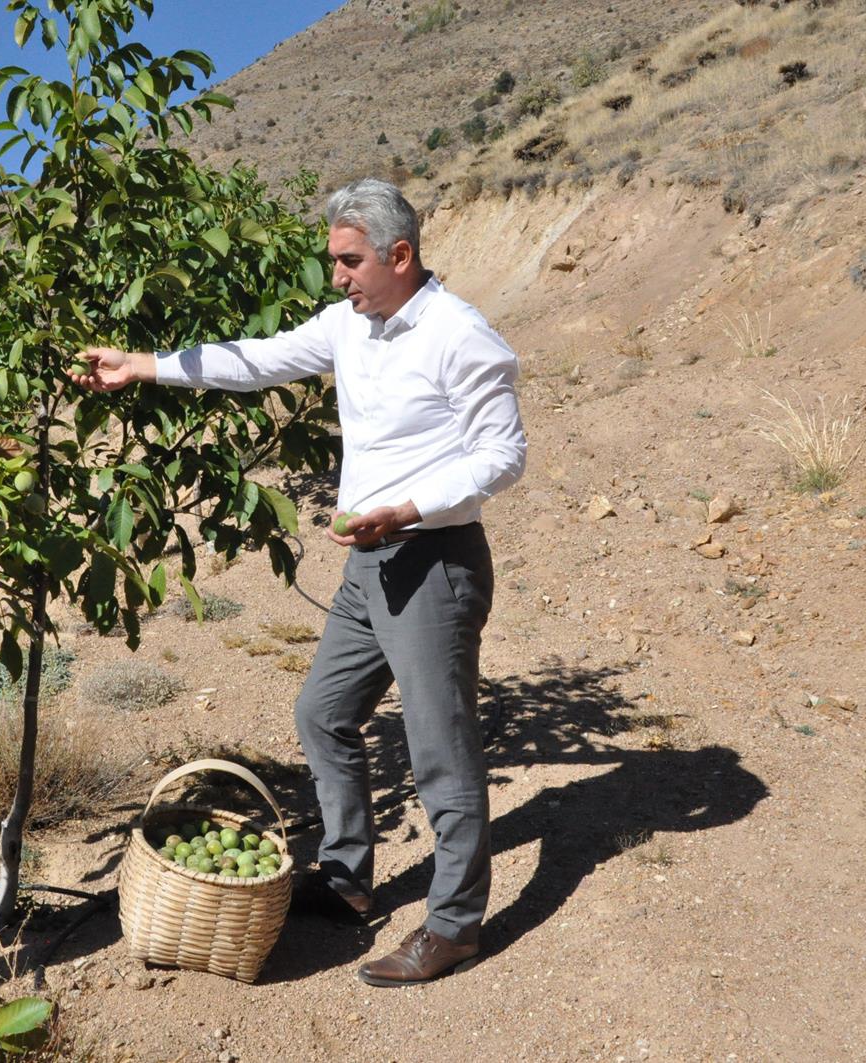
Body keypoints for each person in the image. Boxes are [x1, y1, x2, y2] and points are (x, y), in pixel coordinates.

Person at [72, 178, 526, 987]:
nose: (336, 277)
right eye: (334, 262)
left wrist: (407, 509)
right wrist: (143, 366)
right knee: (323, 712)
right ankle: (349, 880)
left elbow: (503, 455)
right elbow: (257, 359)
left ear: (399, 254)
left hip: (431, 562)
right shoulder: (350, 324)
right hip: (369, 563)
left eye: (349, 262)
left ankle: (455, 924)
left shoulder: (460, 335)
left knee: (440, 748)